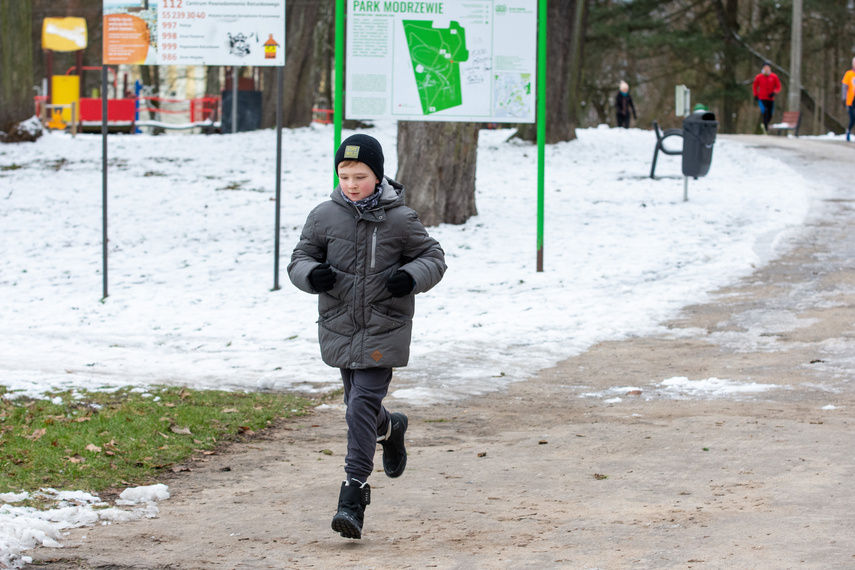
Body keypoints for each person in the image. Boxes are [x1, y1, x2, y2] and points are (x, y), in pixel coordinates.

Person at [287, 134, 446, 540]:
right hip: (340, 326)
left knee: (358, 403)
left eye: (360, 176)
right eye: (345, 176)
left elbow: (434, 258)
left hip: (384, 328)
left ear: (378, 176)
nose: (352, 184)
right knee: (359, 406)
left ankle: (352, 494)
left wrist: (411, 276)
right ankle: (389, 427)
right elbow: (300, 259)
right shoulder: (323, 216)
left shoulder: (400, 219)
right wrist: (310, 275)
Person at [753, 62, 782, 134]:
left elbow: (778, 86)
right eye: (765, 67)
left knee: (770, 114)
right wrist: (756, 95)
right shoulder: (758, 77)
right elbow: (755, 86)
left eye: (767, 67)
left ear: (770, 69)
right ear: (762, 69)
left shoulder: (774, 77)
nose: (766, 69)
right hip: (762, 98)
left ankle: (764, 124)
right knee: (765, 111)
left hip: (770, 98)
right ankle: (765, 128)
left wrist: (774, 92)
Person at [842, 56, 855, 142]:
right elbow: (844, 87)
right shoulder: (849, 74)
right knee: (852, 118)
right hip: (851, 100)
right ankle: (848, 131)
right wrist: (844, 98)